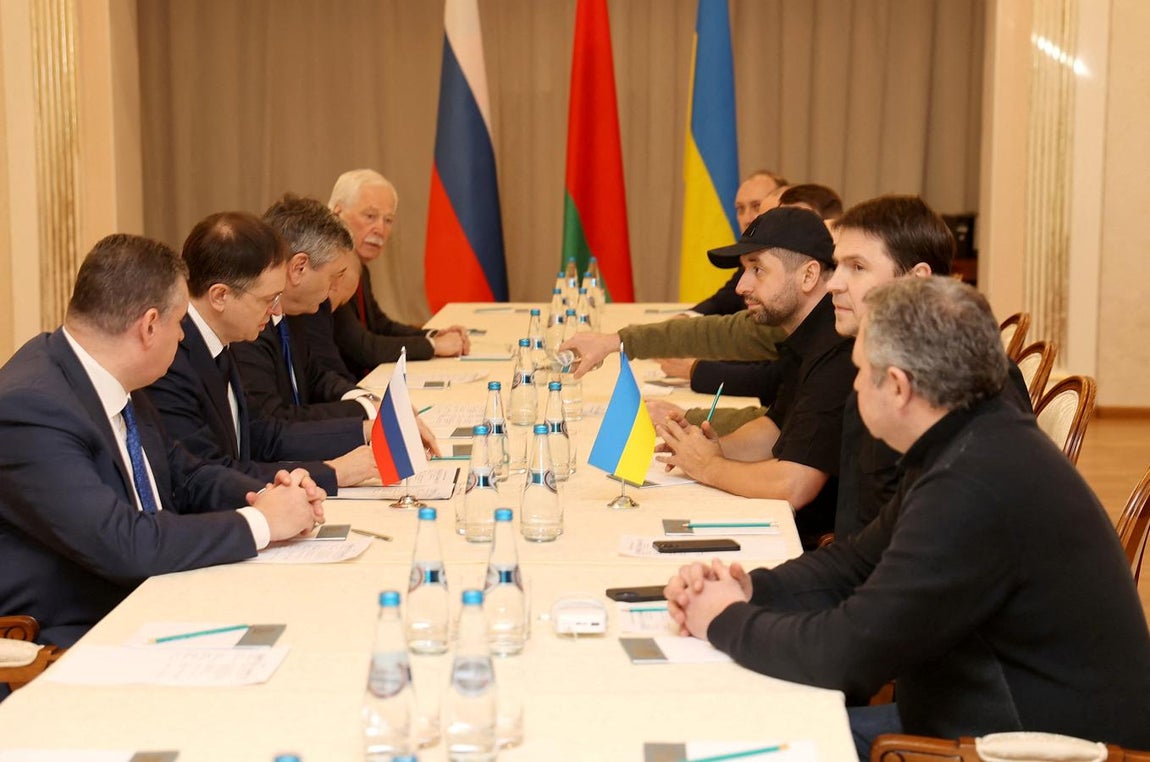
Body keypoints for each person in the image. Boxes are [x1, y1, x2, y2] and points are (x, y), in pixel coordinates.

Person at [665, 276, 1150, 759]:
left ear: (897, 387)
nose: (852, 386)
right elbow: (854, 564)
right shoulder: (970, 438)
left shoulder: (972, 484)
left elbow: (847, 655)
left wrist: (725, 618)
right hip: (982, 716)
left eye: (858, 371)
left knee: (743, 741)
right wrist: (752, 589)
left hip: (1028, 747)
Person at [0, 234, 324, 648]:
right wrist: (261, 523)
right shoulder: (30, 408)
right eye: (178, 323)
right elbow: (122, 542)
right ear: (150, 326)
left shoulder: (111, 376)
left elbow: (185, 474)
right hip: (71, 638)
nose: (183, 337)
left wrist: (268, 496)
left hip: (153, 600)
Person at [658, 207, 855, 546]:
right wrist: (705, 448)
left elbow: (795, 485)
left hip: (820, 544)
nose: (742, 286)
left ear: (808, 276)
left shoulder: (837, 347)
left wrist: (710, 467)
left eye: (757, 269)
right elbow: (775, 429)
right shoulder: (806, 333)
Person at [141, 212, 378, 495]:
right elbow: (206, 473)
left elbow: (262, 433)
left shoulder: (219, 340)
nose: (277, 311)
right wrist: (331, 472)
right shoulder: (172, 359)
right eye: (268, 299)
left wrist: (364, 431)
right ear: (220, 296)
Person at [233, 194, 384, 423]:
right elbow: (273, 422)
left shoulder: (294, 313)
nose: (334, 289)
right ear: (299, 267)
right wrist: (364, 413)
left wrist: (366, 400)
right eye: (334, 277)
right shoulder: (249, 324)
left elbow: (316, 377)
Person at [328, 169, 470, 376]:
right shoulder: (327, 271)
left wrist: (433, 334)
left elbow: (380, 325)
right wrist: (433, 345)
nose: (380, 229)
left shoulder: (359, 268)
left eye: (388, 220)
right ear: (337, 214)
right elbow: (363, 348)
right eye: (370, 216)